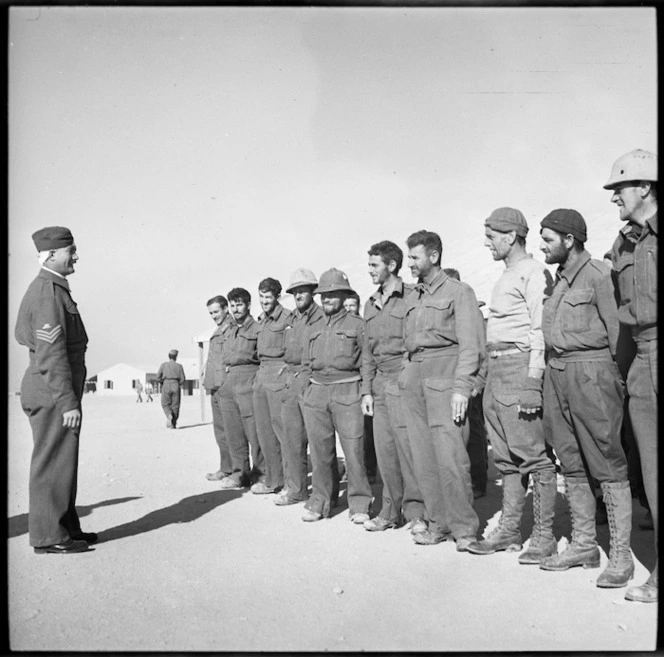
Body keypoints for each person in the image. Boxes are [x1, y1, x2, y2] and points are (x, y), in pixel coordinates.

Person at [536, 209, 632, 588]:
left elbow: (618, 337)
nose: (543, 245)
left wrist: (613, 384)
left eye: (548, 239)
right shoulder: (558, 283)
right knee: (571, 461)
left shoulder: (599, 277)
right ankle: (584, 546)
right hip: (557, 374)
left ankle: (621, 555)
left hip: (592, 375)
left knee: (608, 462)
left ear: (569, 239)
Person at [468, 208, 557, 564]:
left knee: (534, 456)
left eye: (491, 236)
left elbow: (540, 332)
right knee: (506, 459)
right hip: (497, 371)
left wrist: (533, 382)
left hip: (520, 370)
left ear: (510, 237)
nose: (486, 242)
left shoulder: (533, 273)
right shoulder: (508, 275)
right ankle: (508, 531)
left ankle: (544, 536)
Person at [399, 230, 483, 551]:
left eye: (415, 257)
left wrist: (462, 387)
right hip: (415, 380)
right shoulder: (413, 296)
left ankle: (464, 530)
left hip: (445, 378)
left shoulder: (459, 292)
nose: (410, 264)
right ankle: (438, 525)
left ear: (433, 256)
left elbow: (471, 344)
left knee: (451, 458)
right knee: (424, 458)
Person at [15, 226, 95, 554]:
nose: (75, 255)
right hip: (52, 392)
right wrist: (67, 401)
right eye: (70, 251)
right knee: (52, 462)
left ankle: (65, 527)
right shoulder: (47, 293)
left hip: (54, 390)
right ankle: (49, 536)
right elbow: (51, 354)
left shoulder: (54, 289)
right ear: (50, 255)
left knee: (63, 461)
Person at [604, 149, 658, 603]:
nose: (614, 198)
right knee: (654, 473)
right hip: (642, 357)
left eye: (618, 189)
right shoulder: (622, 244)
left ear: (644, 187)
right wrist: (624, 373)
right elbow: (625, 318)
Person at [361, 241, 426, 533]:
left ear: (392, 265)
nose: (370, 270)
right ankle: (389, 512)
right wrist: (366, 391)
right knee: (385, 452)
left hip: (404, 379)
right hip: (379, 385)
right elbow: (366, 353)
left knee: (408, 450)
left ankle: (416, 513)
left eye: (375, 265)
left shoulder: (412, 297)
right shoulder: (369, 303)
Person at [301, 268, 372, 523]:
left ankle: (360, 504)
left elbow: (366, 361)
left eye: (332, 294)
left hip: (348, 390)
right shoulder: (313, 326)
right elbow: (305, 361)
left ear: (344, 295)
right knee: (321, 454)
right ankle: (320, 501)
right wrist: (306, 390)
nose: (326, 299)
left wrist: (366, 393)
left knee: (354, 452)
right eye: (322, 295)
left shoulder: (357, 325)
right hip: (317, 392)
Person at [276, 268, 325, 506]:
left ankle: (323, 493)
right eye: (295, 292)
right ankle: (296, 490)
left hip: (312, 379)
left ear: (313, 292)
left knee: (317, 442)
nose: (298, 296)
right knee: (292, 440)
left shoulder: (322, 317)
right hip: (291, 379)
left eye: (303, 291)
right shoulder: (291, 318)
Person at [444, 267, 489, 499]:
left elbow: (481, 349)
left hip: (470, 384)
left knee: (474, 434)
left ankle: (479, 482)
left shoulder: (472, 313)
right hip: (452, 383)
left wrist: (477, 383)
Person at [218, 288, 266, 490]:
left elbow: (263, 358)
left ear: (248, 305)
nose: (236, 309)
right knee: (233, 432)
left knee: (254, 432)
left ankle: (261, 474)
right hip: (229, 382)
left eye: (239, 304)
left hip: (249, 379)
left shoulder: (257, 328)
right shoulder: (228, 330)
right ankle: (239, 474)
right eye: (232, 305)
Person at [251, 277, 293, 495]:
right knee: (264, 433)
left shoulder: (287, 318)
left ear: (278, 297)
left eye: (268, 297)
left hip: (278, 375)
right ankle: (272, 480)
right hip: (262, 376)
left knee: (282, 432)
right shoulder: (262, 320)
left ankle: (290, 482)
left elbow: (293, 350)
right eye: (261, 297)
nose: (264, 301)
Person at [344, 290, 378, 483]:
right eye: (346, 305)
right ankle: (353, 469)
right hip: (348, 384)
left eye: (352, 306)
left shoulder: (363, 327)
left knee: (367, 430)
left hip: (363, 381)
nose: (349, 309)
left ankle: (370, 469)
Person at [203, 295, 235, 482]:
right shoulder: (219, 329)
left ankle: (237, 470)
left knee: (231, 432)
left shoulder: (231, 329)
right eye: (211, 313)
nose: (214, 315)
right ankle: (226, 467)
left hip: (225, 385)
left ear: (225, 309)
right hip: (215, 385)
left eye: (216, 311)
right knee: (221, 431)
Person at [157, 349, 185, 428]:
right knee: (175, 406)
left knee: (165, 403)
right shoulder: (179, 366)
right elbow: (183, 379)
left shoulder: (164, 365)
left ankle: (169, 414)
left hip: (166, 384)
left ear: (169, 356)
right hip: (175, 385)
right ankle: (173, 424)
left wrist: (163, 383)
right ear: (176, 357)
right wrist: (177, 384)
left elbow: (158, 377)